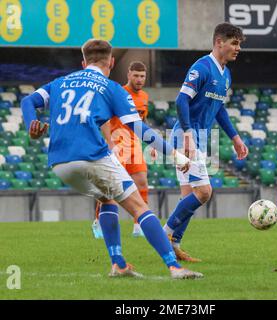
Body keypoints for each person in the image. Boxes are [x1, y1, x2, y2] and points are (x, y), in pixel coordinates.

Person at [21, 39, 203, 279]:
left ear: (83, 62)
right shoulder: (110, 87)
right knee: (139, 207)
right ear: (112, 62)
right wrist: (175, 154)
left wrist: (30, 125)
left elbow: (27, 101)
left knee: (107, 199)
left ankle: (118, 264)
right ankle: (174, 267)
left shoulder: (59, 83)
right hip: (92, 156)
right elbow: (139, 129)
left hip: (60, 163)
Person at [163, 23, 249, 262]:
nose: (238, 48)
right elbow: (181, 101)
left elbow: (218, 108)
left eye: (239, 44)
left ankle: (174, 245)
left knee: (188, 196)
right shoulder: (201, 67)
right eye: (234, 43)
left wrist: (235, 137)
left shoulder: (226, 74)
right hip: (186, 136)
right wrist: (188, 134)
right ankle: (164, 236)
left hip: (199, 136)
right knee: (203, 192)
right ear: (219, 42)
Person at [93, 61, 153, 238]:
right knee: (111, 187)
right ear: (128, 75)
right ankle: (98, 222)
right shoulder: (117, 93)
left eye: (142, 76)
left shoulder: (144, 97)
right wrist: (109, 141)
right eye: (136, 75)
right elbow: (103, 118)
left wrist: (150, 142)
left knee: (142, 181)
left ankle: (138, 224)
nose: (139, 79)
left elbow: (142, 122)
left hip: (134, 144)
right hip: (117, 145)